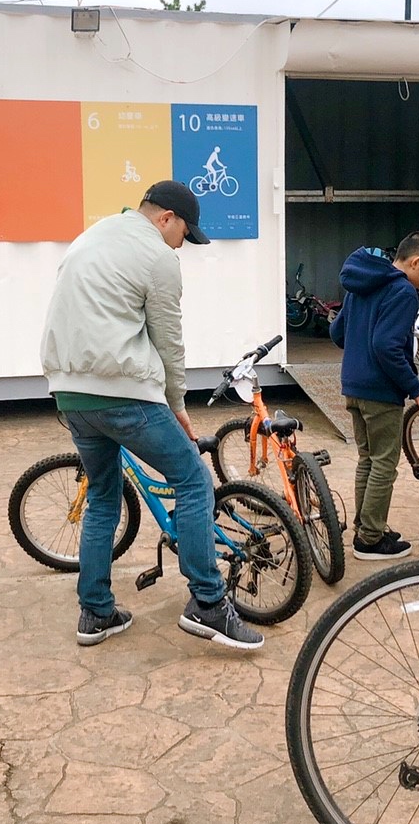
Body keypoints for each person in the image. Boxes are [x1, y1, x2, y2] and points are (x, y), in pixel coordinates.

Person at [41, 180, 264, 651]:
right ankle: (207, 602)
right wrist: (177, 405)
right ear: (166, 218)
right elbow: (168, 340)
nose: (183, 244)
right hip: (122, 391)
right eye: (185, 233)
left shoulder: (92, 236)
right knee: (194, 480)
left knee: (104, 494)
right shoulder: (159, 257)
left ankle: (95, 612)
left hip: (69, 393)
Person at [330, 230, 419, 560]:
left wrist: (358, 343)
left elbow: (338, 333)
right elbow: (386, 347)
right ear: (417, 262)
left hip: (353, 385)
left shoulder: (361, 284)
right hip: (381, 391)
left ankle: (367, 527)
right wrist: (417, 387)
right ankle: (370, 539)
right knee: (384, 464)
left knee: (368, 459)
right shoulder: (402, 291)